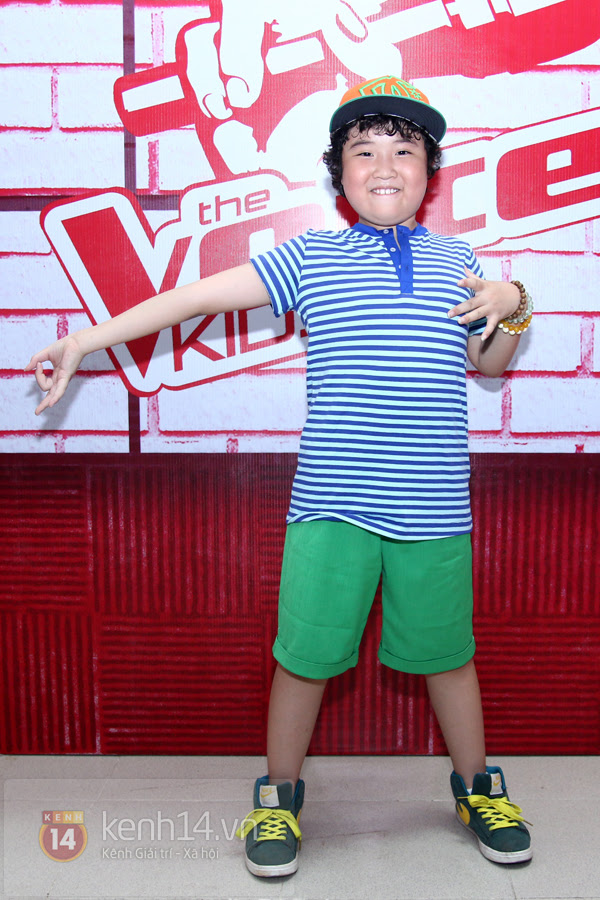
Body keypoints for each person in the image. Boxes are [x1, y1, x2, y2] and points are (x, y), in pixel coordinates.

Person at [27, 75, 533, 878]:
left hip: (434, 507)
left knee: (447, 654)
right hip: (331, 505)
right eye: (364, 151)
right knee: (304, 655)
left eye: (404, 150)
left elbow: (492, 363)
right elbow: (192, 298)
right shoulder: (311, 256)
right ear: (338, 174)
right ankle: (278, 795)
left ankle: (478, 788)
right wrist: (87, 340)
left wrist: (514, 301)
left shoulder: (459, 260)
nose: (385, 166)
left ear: (431, 172)